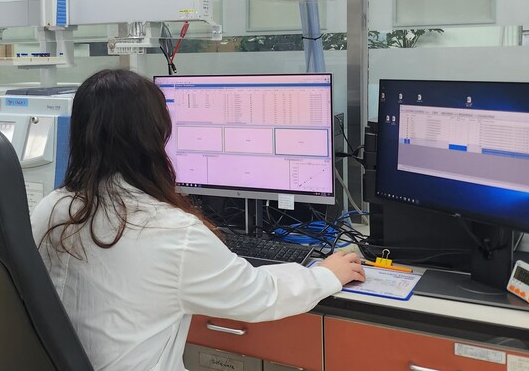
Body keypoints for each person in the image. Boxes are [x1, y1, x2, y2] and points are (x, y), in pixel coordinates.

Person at [31, 69, 365, 371]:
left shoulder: (52, 208)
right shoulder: (171, 232)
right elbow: (257, 294)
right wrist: (325, 275)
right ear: (155, 137)